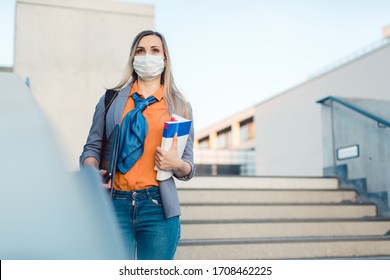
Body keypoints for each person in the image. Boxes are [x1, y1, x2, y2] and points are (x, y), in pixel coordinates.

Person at [79, 30, 195, 260]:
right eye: (140, 51)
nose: (147, 56)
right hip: (114, 205)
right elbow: (91, 149)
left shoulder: (180, 107)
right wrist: (92, 171)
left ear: (164, 59)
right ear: (133, 59)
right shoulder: (110, 100)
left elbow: (189, 167)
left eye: (154, 50)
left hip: (158, 209)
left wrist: (176, 164)